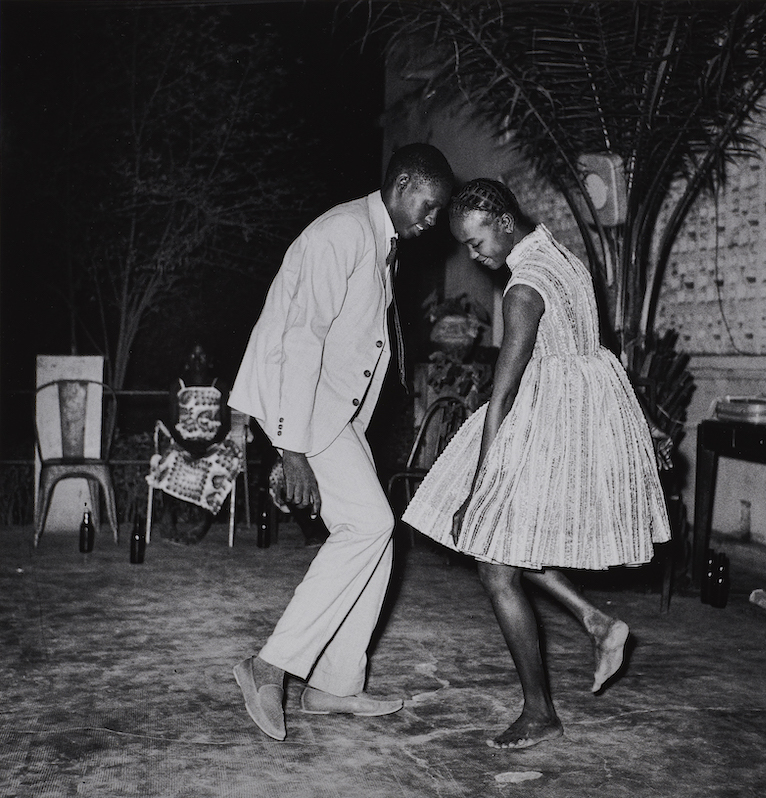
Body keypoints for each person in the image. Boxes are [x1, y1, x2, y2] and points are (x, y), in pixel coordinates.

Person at [402, 179, 672, 750]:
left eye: (477, 244)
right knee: (510, 547)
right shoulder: (562, 255)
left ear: (504, 222)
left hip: (545, 424)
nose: (475, 257)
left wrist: (478, 489)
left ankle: (540, 711)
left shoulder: (523, 288)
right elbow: (592, 346)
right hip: (583, 414)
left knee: (495, 565)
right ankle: (597, 622)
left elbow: (501, 395)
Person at [228, 143, 454, 741]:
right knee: (372, 527)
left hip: (334, 414)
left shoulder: (377, 240)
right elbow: (300, 339)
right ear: (404, 184)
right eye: (429, 207)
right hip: (306, 411)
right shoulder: (343, 232)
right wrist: (291, 448)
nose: (432, 222)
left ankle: (335, 686)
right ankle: (268, 666)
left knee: (377, 536)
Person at [147, 343, 243, 544]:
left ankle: (204, 523)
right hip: (184, 441)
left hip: (215, 443)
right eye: (192, 356)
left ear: (210, 362)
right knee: (171, 458)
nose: (197, 361)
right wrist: (187, 444)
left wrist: (209, 444)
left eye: (201, 356)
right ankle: (167, 517)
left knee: (220, 464)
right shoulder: (178, 385)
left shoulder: (219, 385)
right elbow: (173, 422)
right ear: (187, 363)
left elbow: (225, 424)